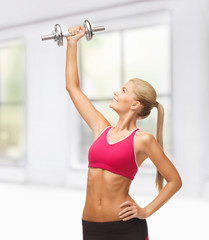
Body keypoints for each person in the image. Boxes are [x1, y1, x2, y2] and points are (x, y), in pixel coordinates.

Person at [65, 24, 182, 240]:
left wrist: (146, 210)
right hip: (91, 227)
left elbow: (174, 180)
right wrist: (72, 44)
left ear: (135, 105)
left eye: (124, 90)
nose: (116, 92)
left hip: (125, 228)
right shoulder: (101, 128)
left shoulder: (143, 140)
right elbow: (72, 87)